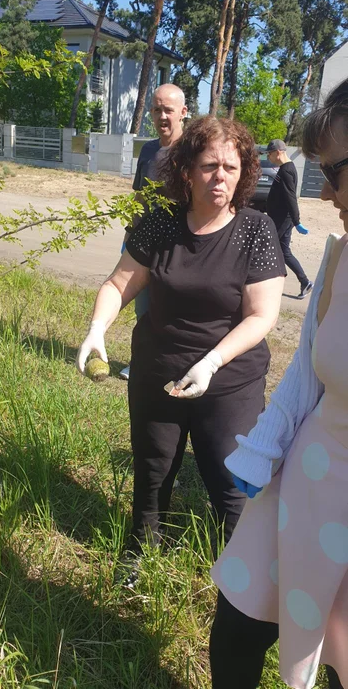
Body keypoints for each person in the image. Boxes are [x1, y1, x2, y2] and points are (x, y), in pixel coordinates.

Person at [77, 115, 285, 584]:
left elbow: (262, 315)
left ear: (244, 171)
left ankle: (242, 578)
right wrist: (97, 328)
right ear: (187, 170)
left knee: (232, 484)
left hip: (228, 381)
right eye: (210, 165)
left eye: (231, 167)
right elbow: (118, 283)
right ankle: (140, 557)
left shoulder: (256, 229)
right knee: (152, 473)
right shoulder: (159, 223)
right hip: (158, 373)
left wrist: (211, 362)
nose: (221, 177)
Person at [210, 79, 348, 689]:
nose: (328, 192)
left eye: (337, 171)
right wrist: (264, 448)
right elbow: (305, 369)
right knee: (238, 616)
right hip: (307, 477)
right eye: (321, 172)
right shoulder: (342, 259)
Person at [119, 83, 187, 380]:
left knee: (173, 309)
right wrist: (129, 231)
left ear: (183, 112)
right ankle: (142, 363)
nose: (162, 116)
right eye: (157, 110)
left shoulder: (192, 150)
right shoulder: (148, 149)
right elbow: (141, 195)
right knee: (143, 308)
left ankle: (174, 364)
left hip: (179, 243)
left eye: (168, 110)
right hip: (145, 241)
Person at [266, 138, 313, 299]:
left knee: (269, 249)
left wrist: (297, 220)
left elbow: (290, 197)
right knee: (284, 252)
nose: (268, 158)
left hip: (283, 219)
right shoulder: (287, 167)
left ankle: (267, 285)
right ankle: (305, 282)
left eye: (269, 154)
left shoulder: (286, 170)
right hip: (282, 218)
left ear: (278, 152)